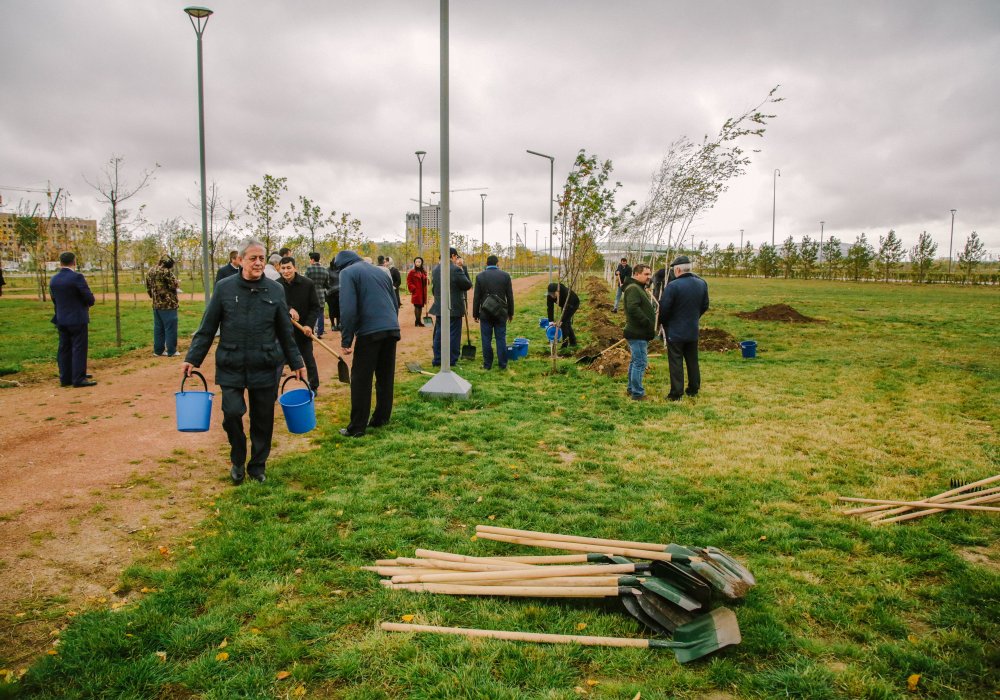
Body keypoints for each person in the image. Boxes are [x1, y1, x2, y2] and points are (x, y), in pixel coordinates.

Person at [182, 239, 306, 485]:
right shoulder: (224, 288)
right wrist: (193, 358)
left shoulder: (275, 289)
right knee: (232, 413)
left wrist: (297, 361)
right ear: (240, 260)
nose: (258, 262)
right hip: (232, 362)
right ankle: (238, 459)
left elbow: (284, 331)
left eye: (261, 258)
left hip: (265, 364)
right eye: (253, 258)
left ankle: (257, 466)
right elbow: (207, 327)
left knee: (263, 419)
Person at [334, 249, 401, 437]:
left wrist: (346, 339)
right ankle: (381, 419)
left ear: (341, 265)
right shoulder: (380, 271)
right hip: (391, 329)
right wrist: (392, 323)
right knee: (385, 377)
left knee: (361, 380)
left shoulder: (348, 273)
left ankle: (357, 427)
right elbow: (394, 301)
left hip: (369, 332)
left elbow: (347, 308)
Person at [658, 255, 709, 401]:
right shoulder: (702, 283)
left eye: (674, 270)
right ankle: (693, 388)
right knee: (692, 359)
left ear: (678, 269)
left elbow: (665, 309)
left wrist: (664, 323)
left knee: (675, 361)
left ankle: (676, 393)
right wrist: (694, 318)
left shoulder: (673, 286)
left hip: (675, 330)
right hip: (692, 329)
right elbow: (705, 305)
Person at [49, 251, 97, 388]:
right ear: (74, 262)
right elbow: (88, 298)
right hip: (77, 318)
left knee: (64, 348)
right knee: (79, 347)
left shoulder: (54, 279)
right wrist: (88, 302)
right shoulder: (77, 277)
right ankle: (78, 378)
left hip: (61, 318)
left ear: (60, 262)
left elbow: (54, 299)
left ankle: (65, 377)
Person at [278, 256, 321, 395]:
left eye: (288, 268)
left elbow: (315, 307)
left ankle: (313, 386)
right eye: (283, 268)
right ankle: (272, 391)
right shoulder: (276, 285)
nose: (286, 271)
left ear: (295, 268)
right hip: (283, 331)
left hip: (303, 330)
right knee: (278, 362)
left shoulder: (307, 284)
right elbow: (273, 306)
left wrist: (309, 325)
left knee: (308, 358)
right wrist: (288, 308)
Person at [430, 247, 472, 367]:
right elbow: (467, 285)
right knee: (453, 334)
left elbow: (434, 288)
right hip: (453, 307)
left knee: (439, 333)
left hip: (439, 306)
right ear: (453, 256)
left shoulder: (436, 269)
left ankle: (437, 359)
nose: (456, 259)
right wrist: (462, 268)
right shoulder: (455, 269)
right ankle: (452, 359)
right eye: (456, 257)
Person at [472, 255, 514, 370]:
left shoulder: (480, 276)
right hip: (501, 313)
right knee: (501, 338)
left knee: (486, 339)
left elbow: (476, 297)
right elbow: (510, 296)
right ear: (497, 263)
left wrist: (475, 314)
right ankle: (503, 364)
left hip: (485, 312)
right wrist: (510, 313)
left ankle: (487, 365)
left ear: (487, 263)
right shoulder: (505, 276)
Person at [622, 263, 655, 401]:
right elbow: (633, 308)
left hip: (638, 332)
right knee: (640, 363)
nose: (649, 277)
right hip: (637, 332)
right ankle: (637, 393)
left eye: (649, 274)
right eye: (646, 274)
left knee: (635, 361)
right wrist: (647, 322)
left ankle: (631, 389)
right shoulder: (634, 288)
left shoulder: (639, 287)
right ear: (636, 274)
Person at [145, 255, 180, 357]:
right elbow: (173, 285)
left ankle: (158, 351)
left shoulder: (150, 271)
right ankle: (171, 351)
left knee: (158, 328)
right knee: (170, 328)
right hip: (168, 305)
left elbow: (148, 287)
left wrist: (153, 297)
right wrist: (177, 283)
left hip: (156, 304)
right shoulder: (166, 272)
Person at [304, 252, 331, 337]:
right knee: (320, 314)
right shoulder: (325, 270)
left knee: (310, 313)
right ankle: (320, 333)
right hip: (321, 295)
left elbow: (304, 282)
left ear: (312, 260)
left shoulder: (309, 269)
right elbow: (327, 285)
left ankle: (311, 331)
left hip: (310, 295)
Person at [546, 281, 580, 348]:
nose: (552, 296)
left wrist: (561, 320)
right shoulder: (550, 296)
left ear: (557, 291)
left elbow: (568, 309)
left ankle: (565, 345)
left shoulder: (566, 293)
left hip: (572, 304)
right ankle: (573, 342)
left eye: (553, 294)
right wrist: (551, 321)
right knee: (566, 323)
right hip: (564, 305)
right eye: (550, 294)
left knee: (564, 323)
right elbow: (550, 308)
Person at [406, 256, 429, 328]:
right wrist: (413, 289)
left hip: (422, 293)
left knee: (421, 306)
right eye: (416, 262)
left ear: (421, 263)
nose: (417, 263)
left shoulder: (424, 272)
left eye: (419, 262)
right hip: (417, 292)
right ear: (414, 263)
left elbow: (426, 283)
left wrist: (427, 279)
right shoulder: (412, 272)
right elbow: (409, 281)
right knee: (417, 306)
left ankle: (419, 321)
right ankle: (417, 321)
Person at [327, 258, 341, 331]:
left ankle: (338, 324)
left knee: (339, 309)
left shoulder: (340, 270)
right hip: (331, 294)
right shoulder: (328, 270)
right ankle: (333, 325)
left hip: (339, 293)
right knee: (332, 310)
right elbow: (326, 281)